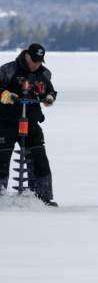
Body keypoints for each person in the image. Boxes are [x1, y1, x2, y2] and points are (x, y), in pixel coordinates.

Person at [0, 43, 58, 205]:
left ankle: (42, 197)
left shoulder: (44, 74)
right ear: (26, 56)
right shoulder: (8, 70)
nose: (36, 64)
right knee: (2, 158)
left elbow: (51, 91)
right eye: (34, 60)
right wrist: (5, 94)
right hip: (6, 122)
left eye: (40, 61)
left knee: (39, 158)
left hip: (31, 121)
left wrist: (50, 98)